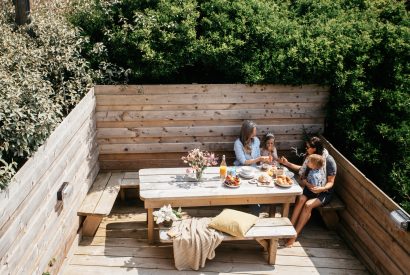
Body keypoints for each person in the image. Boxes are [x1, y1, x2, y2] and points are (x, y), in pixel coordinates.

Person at [279, 136, 337, 247]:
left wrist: (321, 188)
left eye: (308, 147)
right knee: (301, 199)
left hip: (324, 191)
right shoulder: (311, 157)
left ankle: (294, 235)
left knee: (307, 205)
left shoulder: (329, 161)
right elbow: (302, 169)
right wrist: (287, 164)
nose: (306, 149)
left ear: (315, 148)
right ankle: (289, 228)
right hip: (310, 187)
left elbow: (331, 182)